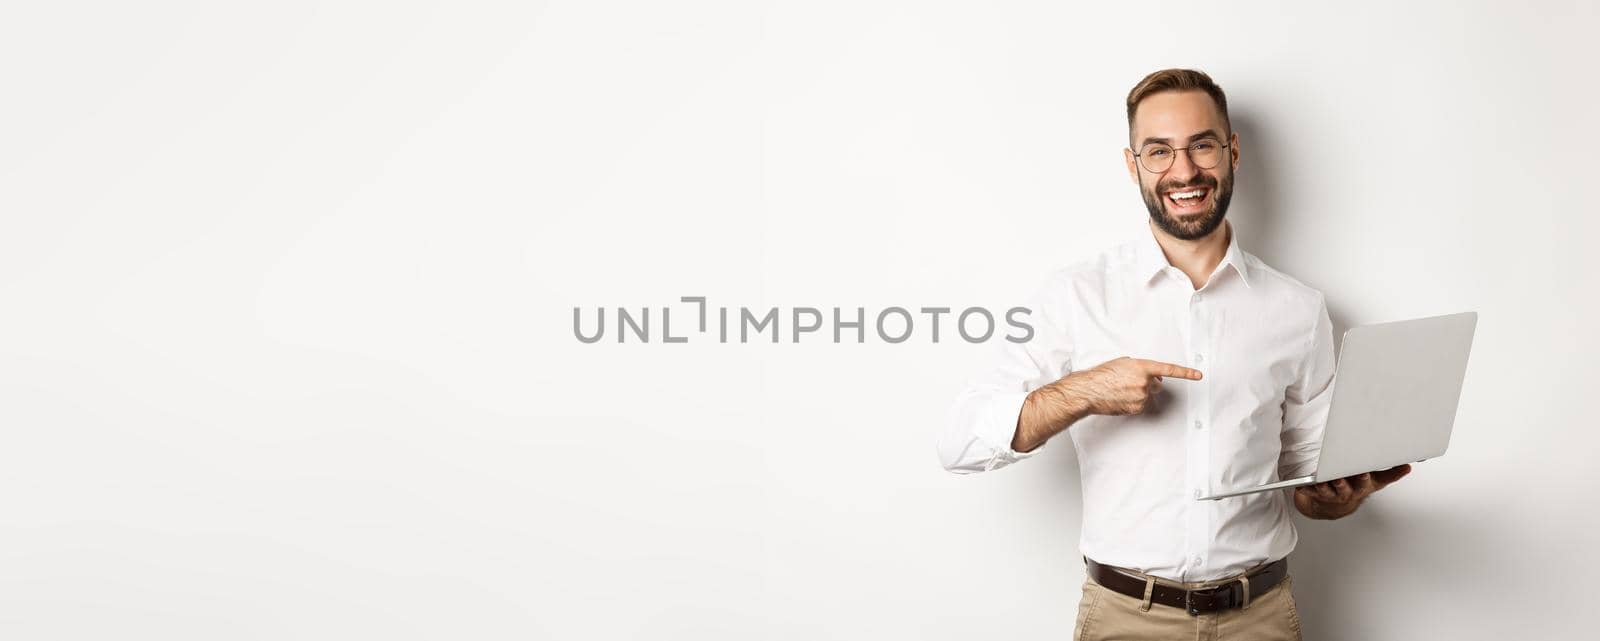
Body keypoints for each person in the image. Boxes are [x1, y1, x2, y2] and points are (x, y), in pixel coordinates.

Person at [936, 68, 1412, 641]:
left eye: (1202, 146)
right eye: (1159, 152)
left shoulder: (1299, 308)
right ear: (1132, 164)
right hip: (1124, 619)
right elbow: (959, 442)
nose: (1184, 172)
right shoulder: (1077, 295)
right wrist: (1084, 390)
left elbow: (1304, 474)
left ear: (1231, 151)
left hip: (1259, 617)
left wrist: (1332, 500)